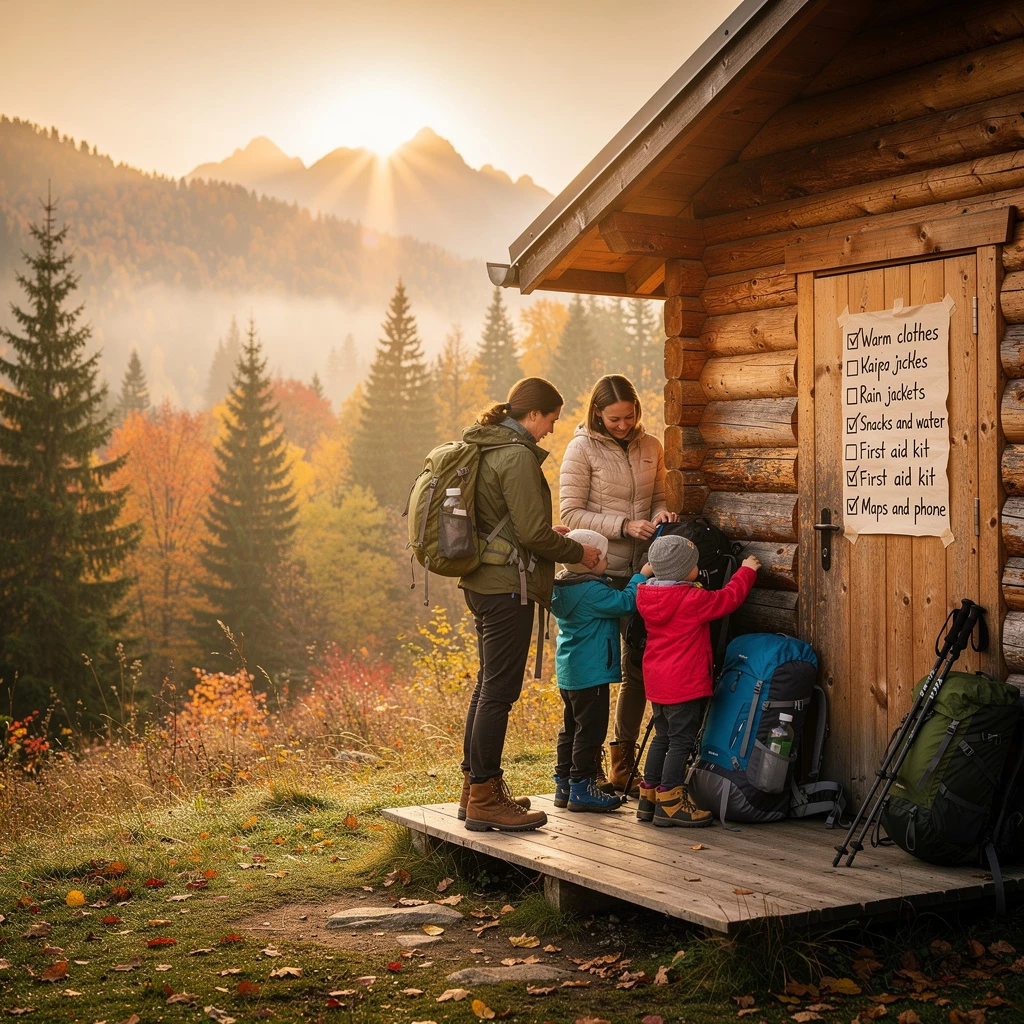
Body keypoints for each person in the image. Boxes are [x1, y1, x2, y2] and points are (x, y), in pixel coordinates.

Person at [459, 377, 604, 833]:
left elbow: (512, 524)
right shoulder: (517, 455)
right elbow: (531, 534)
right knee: (499, 693)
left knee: (487, 687)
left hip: (483, 580)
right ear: (534, 414)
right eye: (552, 420)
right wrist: (579, 553)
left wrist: (545, 536)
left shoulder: (486, 445)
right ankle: (485, 796)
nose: (551, 430)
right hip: (507, 589)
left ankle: (474, 790)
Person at [559, 374, 676, 793]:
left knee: (637, 669)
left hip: (641, 573)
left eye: (629, 416)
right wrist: (624, 526)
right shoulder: (580, 449)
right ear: (597, 413)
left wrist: (662, 514)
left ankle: (622, 765)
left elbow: (660, 497)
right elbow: (570, 514)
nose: (623, 425)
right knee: (591, 674)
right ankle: (580, 772)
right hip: (597, 574)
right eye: (614, 419)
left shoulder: (651, 447)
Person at [636, 535, 761, 828]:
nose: (698, 568)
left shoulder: (646, 594)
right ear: (684, 571)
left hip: (657, 680)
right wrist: (747, 570)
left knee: (662, 737)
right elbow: (728, 598)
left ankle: (649, 797)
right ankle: (671, 801)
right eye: (693, 564)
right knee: (681, 741)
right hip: (683, 682)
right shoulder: (691, 599)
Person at [549, 529, 653, 813]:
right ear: (590, 561)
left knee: (570, 729)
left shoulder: (563, 586)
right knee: (590, 733)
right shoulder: (592, 591)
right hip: (592, 674)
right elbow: (626, 603)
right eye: (604, 555)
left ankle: (564, 784)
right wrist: (640, 576)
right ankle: (582, 788)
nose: (608, 558)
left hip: (570, 673)